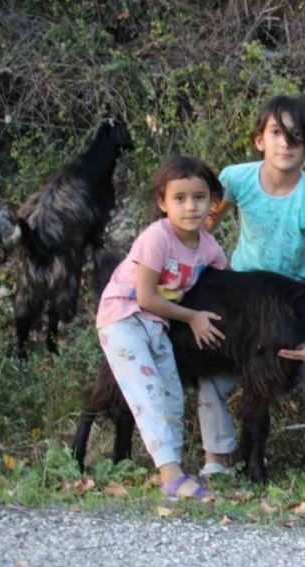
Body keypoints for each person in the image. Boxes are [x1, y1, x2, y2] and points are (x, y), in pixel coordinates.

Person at [201, 95, 305, 478]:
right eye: (276, 133)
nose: (285, 143)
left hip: (295, 305)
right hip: (243, 299)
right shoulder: (236, 179)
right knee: (213, 375)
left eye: (296, 136)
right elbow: (200, 231)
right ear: (259, 140)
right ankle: (217, 460)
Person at [96, 155, 230, 499]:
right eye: (180, 199)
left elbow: (227, 286)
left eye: (199, 198)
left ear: (212, 202)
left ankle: (177, 471)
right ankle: (171, 477)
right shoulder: (156, 239)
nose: (190, 207)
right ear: (163, 202)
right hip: (123, 317)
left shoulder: (209, 248)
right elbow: (146, 297)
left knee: (172, 394)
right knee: (149, 393)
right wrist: (193, 318)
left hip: (158, 325)